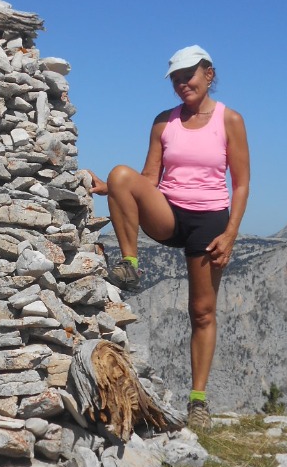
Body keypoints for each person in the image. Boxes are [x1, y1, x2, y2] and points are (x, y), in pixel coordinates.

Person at [86, 45, 250, 430]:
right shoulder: (164, 122)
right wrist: (108, 188)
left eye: (188, 76)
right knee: (122, 174)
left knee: (203, 312)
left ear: (208, 74)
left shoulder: (230, 120)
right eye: (176, 79)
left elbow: (241, 184)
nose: (181, 84)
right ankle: (130, 265)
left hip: (210, 222)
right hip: (170, 215)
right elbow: (148, 178)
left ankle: (198, 402)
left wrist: (230, 234)